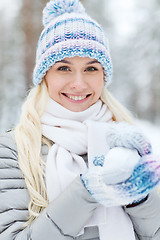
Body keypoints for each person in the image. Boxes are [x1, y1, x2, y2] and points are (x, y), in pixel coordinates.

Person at [0, 0, 160, 239]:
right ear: (45, 76)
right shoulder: (14, 149)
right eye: (64, 68)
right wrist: (87, 191)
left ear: (103, 76)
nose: (79, 83)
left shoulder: (123, 141)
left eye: (91, 69)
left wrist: (138, 196)